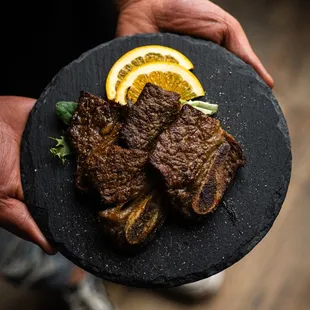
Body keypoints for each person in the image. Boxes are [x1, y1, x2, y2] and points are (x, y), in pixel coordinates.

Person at [0, 1, 274, 309]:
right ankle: (73, 281)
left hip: (91, 42)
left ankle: (177, 265)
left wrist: (137, 2)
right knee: (29, 252)